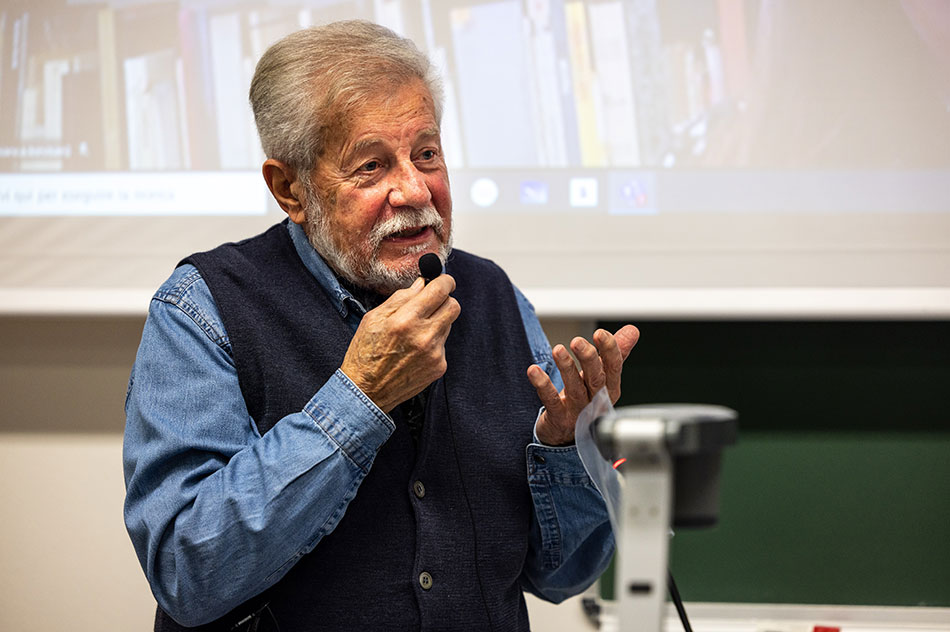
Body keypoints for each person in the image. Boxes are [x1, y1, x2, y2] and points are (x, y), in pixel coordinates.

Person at [123, 20, 639, 632]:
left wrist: (566, 449)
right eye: (371, 166)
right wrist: (358, 399)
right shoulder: (201, 309)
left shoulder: (495, 296)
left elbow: (561, 576)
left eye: (427, 154)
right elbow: (187, 574)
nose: (415, 190)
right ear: (290, 189)